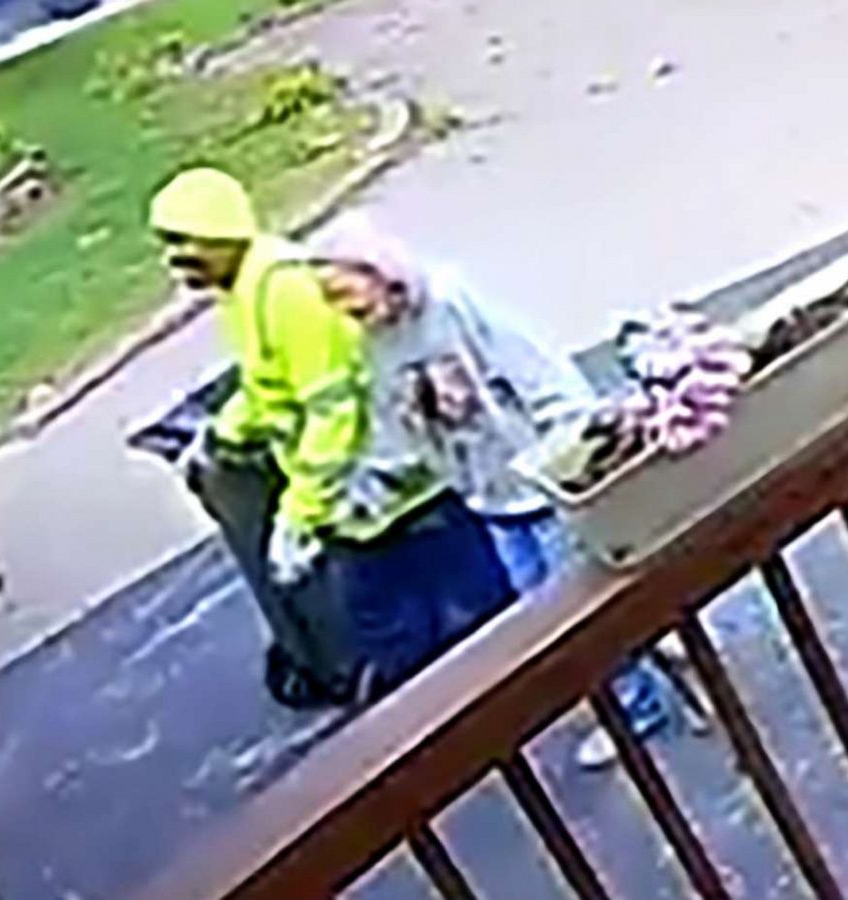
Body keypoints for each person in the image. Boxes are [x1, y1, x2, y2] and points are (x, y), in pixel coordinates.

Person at [308, 215, 705, 767]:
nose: (345, 312)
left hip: (544, 490)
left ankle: (637, 708)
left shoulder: (453, 306)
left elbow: (541, 376)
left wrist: (578, 457)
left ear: (379, 273)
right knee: (556, 610)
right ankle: (650, 653)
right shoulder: (377, 341)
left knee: (574, 616)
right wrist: (358, 490)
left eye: (346, 294)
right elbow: (396, 427)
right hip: (490, 497)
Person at [147, 168, 515, 702]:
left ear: (221, 237)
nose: (175, 261)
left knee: (443, 605)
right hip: (368, 497)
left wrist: (302, 513)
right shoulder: (246, 292)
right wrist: (225, 432)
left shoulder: (283, 294)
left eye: (184, 244)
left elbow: (332, 410)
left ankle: (490, 702)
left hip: (384, 484)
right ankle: (462, 707)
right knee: (415, 613)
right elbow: (271, 385)